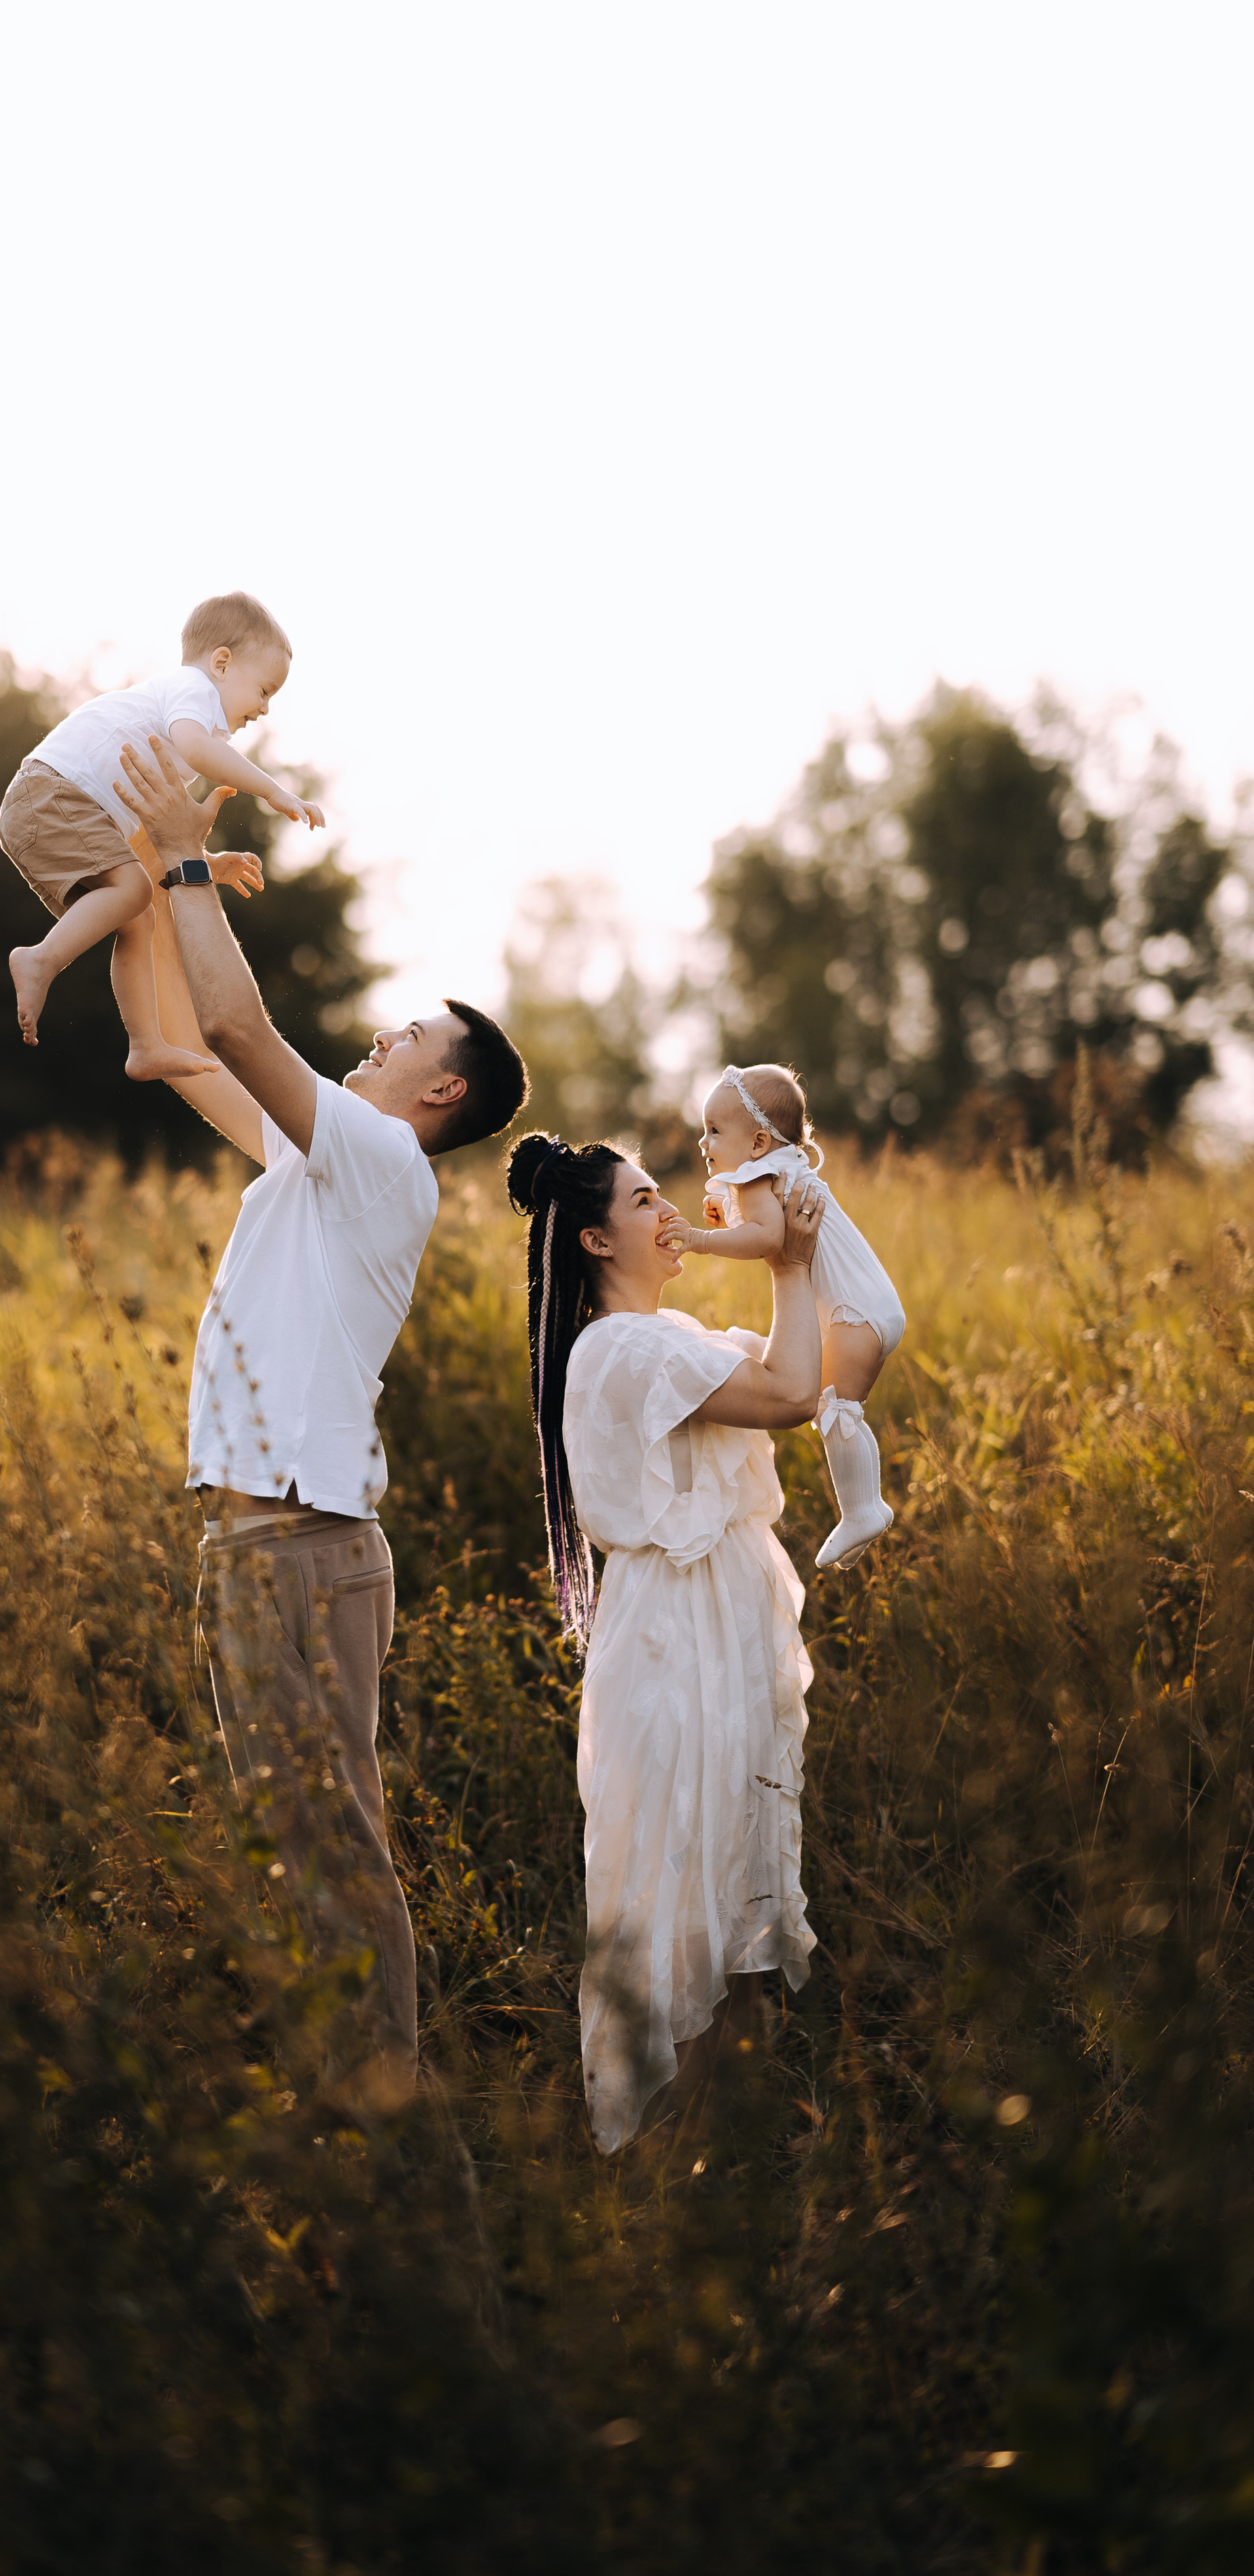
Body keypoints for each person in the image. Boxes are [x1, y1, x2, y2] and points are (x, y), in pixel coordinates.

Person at [115, 730, 529, 2104]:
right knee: (289, 1841)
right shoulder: (318, 1156)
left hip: (299, 1548)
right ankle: (328, 2104)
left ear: (439, 1094)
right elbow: (183, 1052)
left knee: (331, 1839)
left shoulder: (379, 1162)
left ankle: (378, 2118)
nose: (375, 1035)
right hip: (254, 1547)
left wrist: (185, 862)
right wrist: (142, 883)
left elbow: (239, 1027)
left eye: (403, 1035)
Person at [507, 1129, 825, 2153]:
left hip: (695, 1619)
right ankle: (676, 2145)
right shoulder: (630, 1349)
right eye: (646, 1201)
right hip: (677, 1633)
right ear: (599, 1239)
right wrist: (789, 1262)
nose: (670, 1210)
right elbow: (789, 1396)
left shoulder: (658, 1336)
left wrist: (803, 1254)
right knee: (684, 1868)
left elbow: (809, 1373)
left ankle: (720, 2137)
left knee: (711, 1860)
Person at [0, 591, 326, 1059]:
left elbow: (157, 826)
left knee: (138, 915)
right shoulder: (192, 691)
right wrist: (272, 790)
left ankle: (146, 1045)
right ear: (222, 663)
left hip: (59, 807)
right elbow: (198, 748)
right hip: (51, 795)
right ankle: (39, 959)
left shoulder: (178, 728)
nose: (266, 708)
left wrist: (206, 864)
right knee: (133, 893)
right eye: (265, 690)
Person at [669, 1063, 905, 1570]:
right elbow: (762, 1222)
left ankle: (863, 1508)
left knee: (833, 1407)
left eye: (714, 1130)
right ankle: (862, 1507)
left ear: (757, 1143)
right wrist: (729, 1215)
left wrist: (701, 1240)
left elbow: (767, 1239)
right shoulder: (784, 1167)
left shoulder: (756, 1174)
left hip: (851, 1314)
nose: (702, 1142)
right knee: (833, 1403)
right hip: (870, 1305)